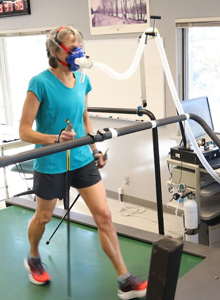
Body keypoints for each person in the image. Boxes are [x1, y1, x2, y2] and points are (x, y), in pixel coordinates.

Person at [19, 26, 148, 299]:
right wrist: (54, 139)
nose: (78, 50)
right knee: (43, 216)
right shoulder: (39, 83)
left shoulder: (82, 80)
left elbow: (84, 118)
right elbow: (24, 131)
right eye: (71, 45)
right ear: (55, 51)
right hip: (50, 161)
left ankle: (124, 279)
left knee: (104, 216)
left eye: (80, 44)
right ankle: (33, 257)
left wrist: (94, 148)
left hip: (80, 158)